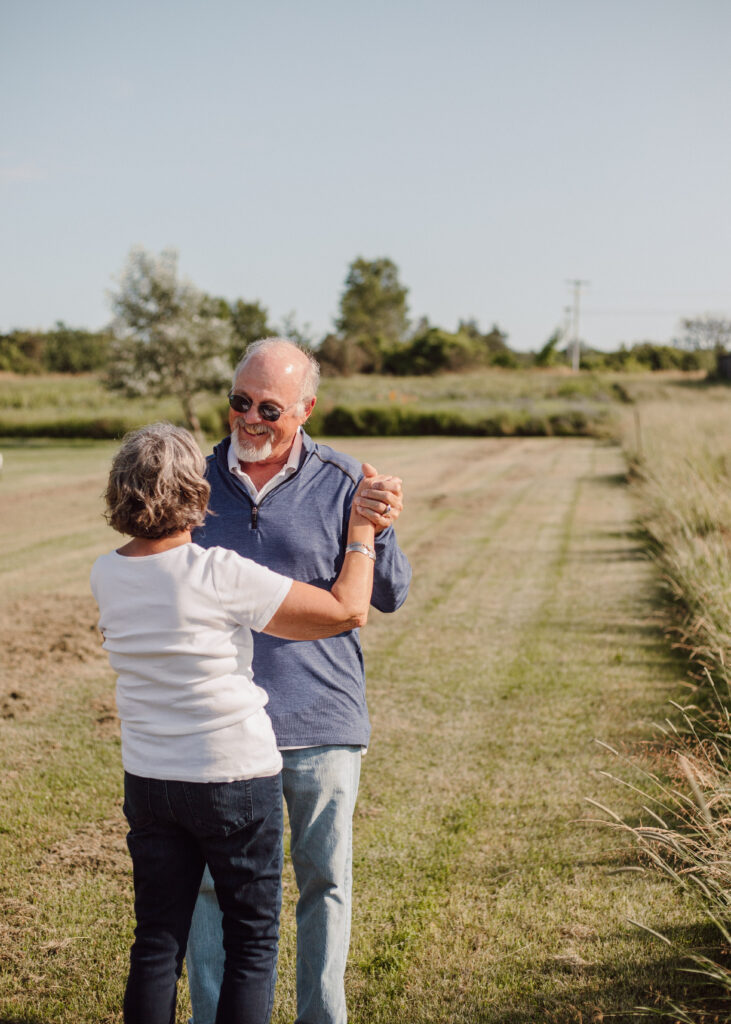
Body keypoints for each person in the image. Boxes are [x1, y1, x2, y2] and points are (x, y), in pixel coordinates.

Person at [90, 422, 380, 1024]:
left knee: (156, 944)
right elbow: (347, 610)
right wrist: (361, 532)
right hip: (232, 780)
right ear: (195, 492)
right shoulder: (218, 572)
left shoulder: (106, 573)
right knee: (251, 943)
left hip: (148, 780)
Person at [186, 338, 411, 1024]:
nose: (249, 417)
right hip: (222, 726)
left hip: (320, 722)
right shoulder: (193, 482)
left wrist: (380, 526)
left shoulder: (345, 480)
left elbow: (390, 594)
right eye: (238, 401)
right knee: (212, 891)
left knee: (324, 881)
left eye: (270, 408)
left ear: (307, 409)